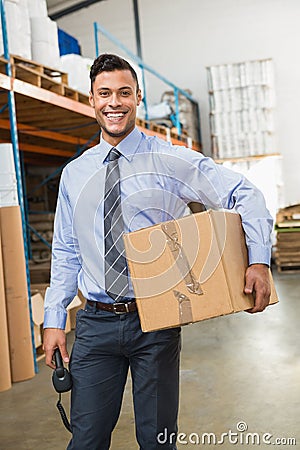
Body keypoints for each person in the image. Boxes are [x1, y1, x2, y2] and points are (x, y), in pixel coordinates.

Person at [43, 53, 273, 450]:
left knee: (157, 440)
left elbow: (243, 192)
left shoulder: (169, 159)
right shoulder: (75, 174)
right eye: (104, 93)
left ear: (137, 98)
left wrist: (258, 260)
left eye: (124, 93)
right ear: (92, 100)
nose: (114, 102)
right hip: (95, 323)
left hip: (155, 320)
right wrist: (53, 318)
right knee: (87, 439)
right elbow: (66, 249)